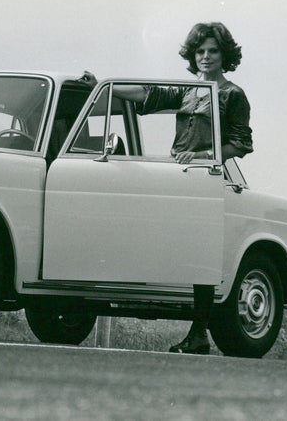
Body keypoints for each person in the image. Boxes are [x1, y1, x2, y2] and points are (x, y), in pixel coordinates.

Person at [116, 22, 253, 354]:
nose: (205, 57)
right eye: (200, 51)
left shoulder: (233, 94)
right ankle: (196, 332)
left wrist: (205, 155)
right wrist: (106, 87)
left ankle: (198, 334)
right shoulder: (187, 90)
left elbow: (241, 143)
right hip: (179, 176)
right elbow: (150, 95)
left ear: (225, 55)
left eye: (212, 51)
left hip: (206, 177)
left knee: (200, 253)